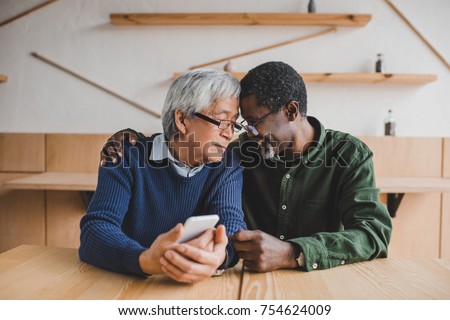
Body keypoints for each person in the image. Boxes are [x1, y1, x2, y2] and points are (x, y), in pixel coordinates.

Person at [102, 61, 392, 274]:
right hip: (247, 284)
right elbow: (186, 148)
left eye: (252, 123)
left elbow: (374, 234)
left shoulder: (348, 155)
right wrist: (132, 142)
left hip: (321, 284)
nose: (242, 133)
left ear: (291, 111)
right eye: (239, 124)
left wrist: (294, 252)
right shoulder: (238, 153)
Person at [79, 69, 247, 283]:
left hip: (196, 286)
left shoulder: (227, 164)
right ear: (182, 120)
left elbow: (232, 224)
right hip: (127, 282)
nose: (229, 134)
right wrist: (145, 260)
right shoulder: (125, 156)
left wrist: (220, 257)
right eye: (222, 121)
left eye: (233, 124)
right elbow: (96, 229)